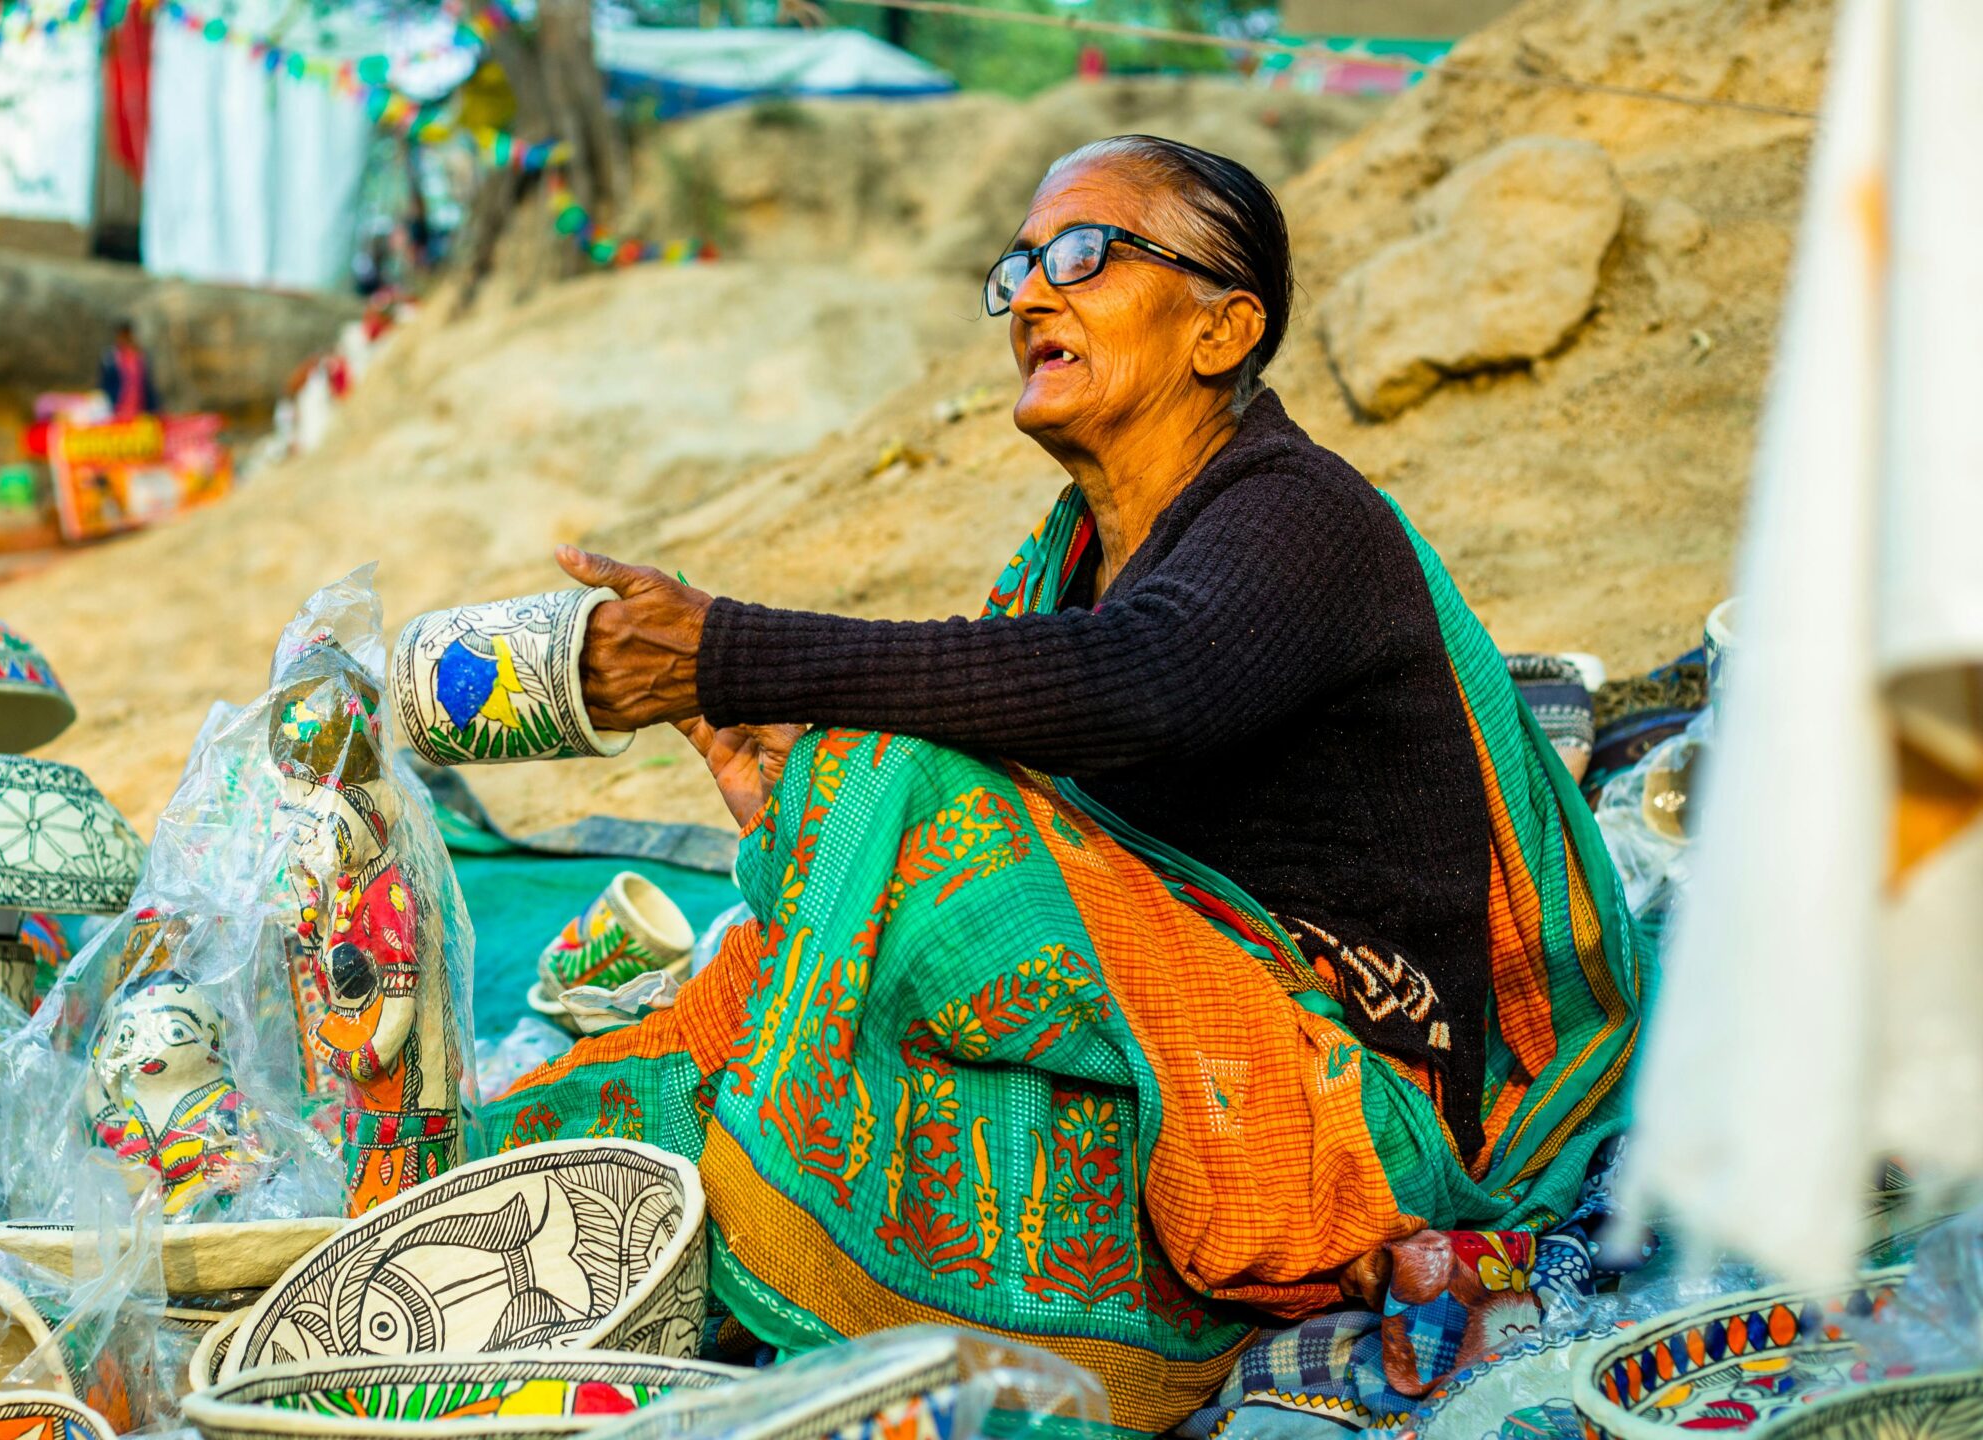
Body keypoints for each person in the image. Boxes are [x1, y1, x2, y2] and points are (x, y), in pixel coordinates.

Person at [484, 135, 1646, 1433]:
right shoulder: (1066, 564)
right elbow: (1048, 855)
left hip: (1353, 1127)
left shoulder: (1300, 514)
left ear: (1224, 328)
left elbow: (1143, 689)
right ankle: (503, 1247)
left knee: (905, 789)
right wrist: (805, 834)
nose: (1033, 292)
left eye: (1086, 255)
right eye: (1021, 265)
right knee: (739, 992)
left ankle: (852, 1279)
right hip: (1181, 1068)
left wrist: (728, 651)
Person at [98, 319, 158, 419]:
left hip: (138, 412)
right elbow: (104, 385)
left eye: (127, 335)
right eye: (122, 335)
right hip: (115, 412)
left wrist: (153, 410)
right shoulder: (110, 358)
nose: (124, 338)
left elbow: (147, 386)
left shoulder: (139, 357)